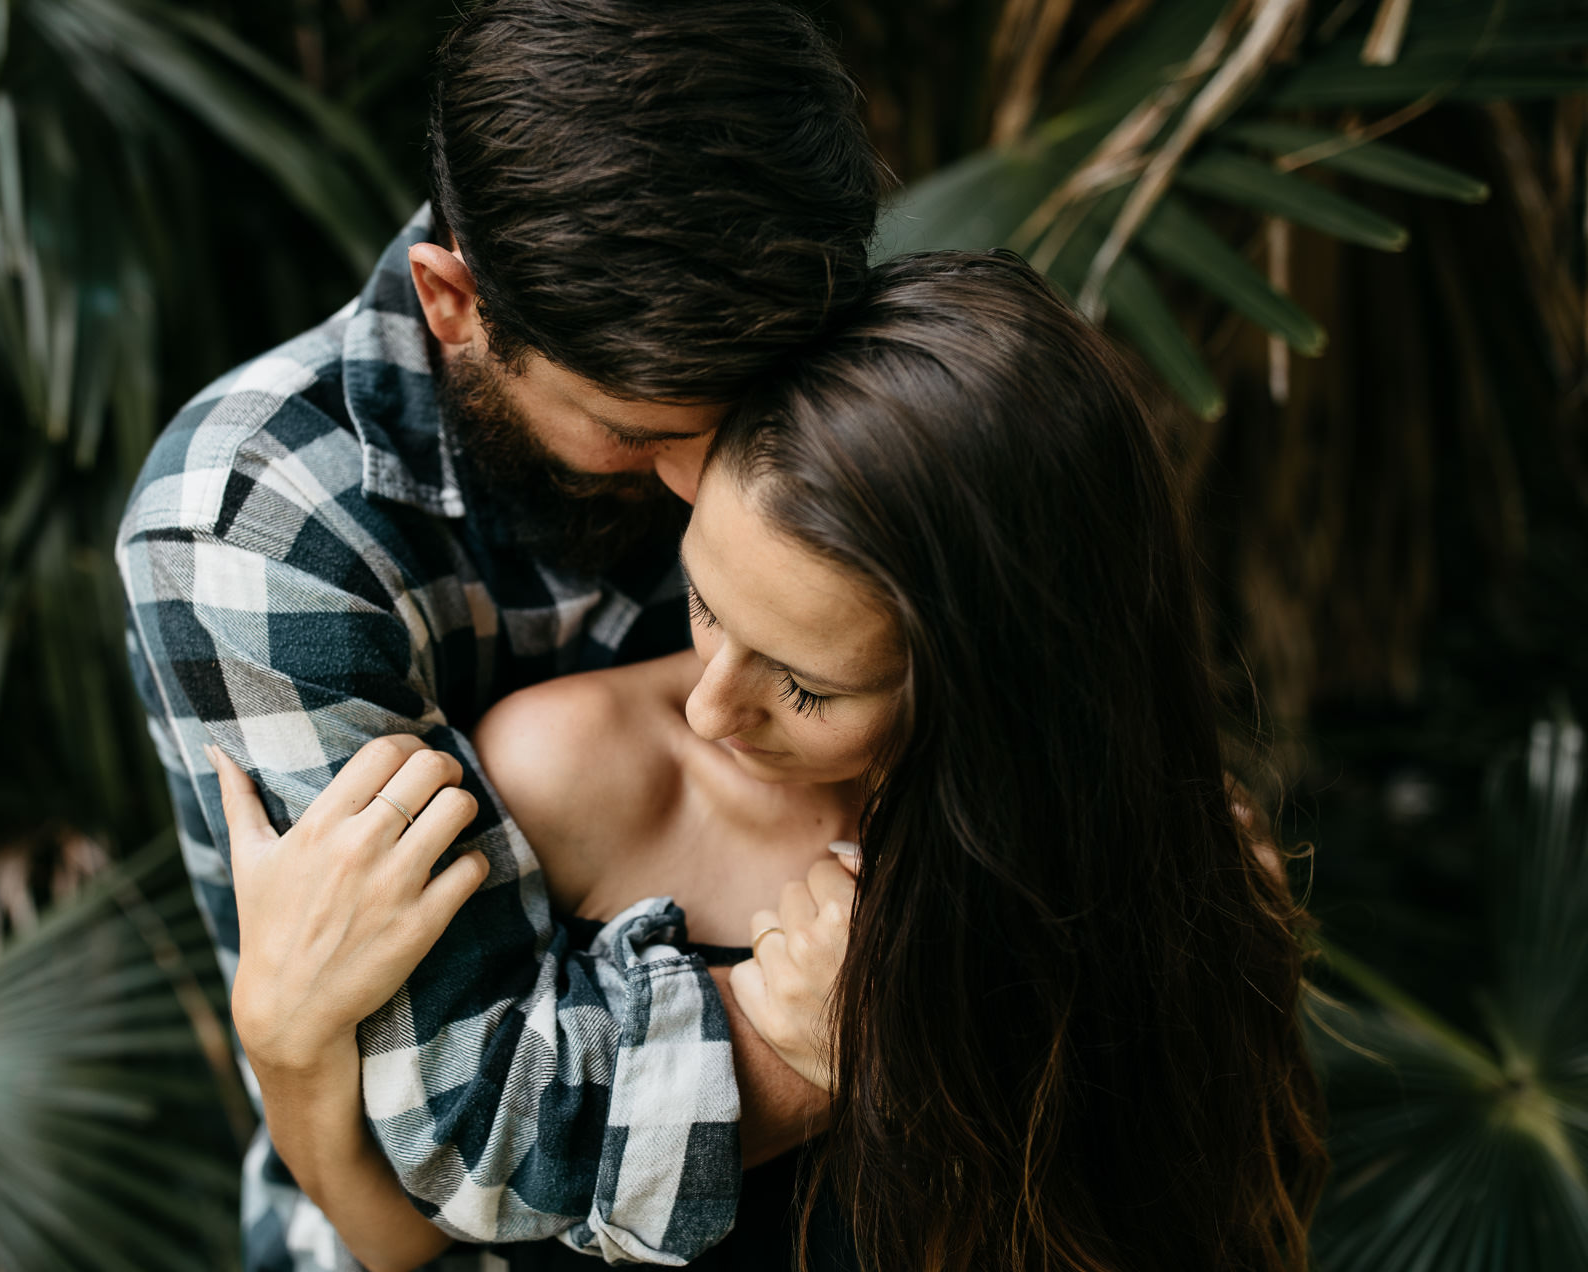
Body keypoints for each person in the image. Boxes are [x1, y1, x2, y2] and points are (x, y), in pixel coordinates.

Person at [210, 251, 1330, 1271]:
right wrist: (288, 1043)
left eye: (806, 684)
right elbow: (403, 1234)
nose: (709, 706)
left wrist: (926, 1037)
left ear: (994, 682)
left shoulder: (1175, 876)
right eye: (699, 600)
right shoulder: (573, 772)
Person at [115, 0, 882, 1267]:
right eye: (635, 433)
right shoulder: (258, 523)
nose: (702, 487)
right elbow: (486, 1128)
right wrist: (873, 1019)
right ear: (453, 299)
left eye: (739, 418)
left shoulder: (795, 342)